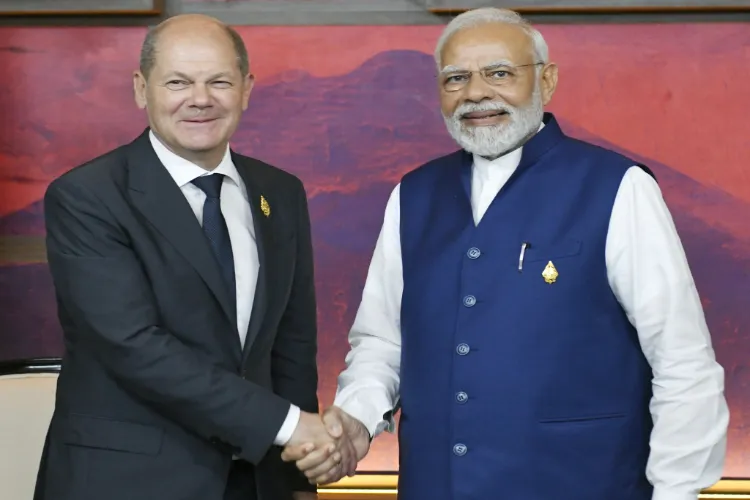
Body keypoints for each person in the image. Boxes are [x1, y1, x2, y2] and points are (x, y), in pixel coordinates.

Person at [282, 7, 730, 500]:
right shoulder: (413, 195)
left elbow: (682, 361)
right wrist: (358, 421)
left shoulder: (618, 188)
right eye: (456, 78)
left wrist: (676, 492)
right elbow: (382, 343)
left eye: (499, 73)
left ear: (548, 80)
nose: (475, 93)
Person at [34, 14, 349, 500]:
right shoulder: (87, 196)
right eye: (178, 82)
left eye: (218, 81)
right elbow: (133, 345)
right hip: (128, 483)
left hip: (256, 481)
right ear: (142, 89)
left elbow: (291, 343)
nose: (200, 99)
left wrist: (298, 474)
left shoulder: (279, 193)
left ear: (246, 88)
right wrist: (288, 426)